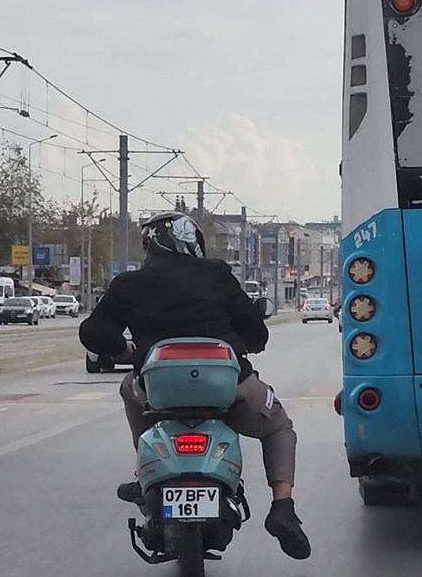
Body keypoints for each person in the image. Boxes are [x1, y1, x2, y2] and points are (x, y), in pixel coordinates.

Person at [79, 211, 311, 561]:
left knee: (129, 388)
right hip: (229, 387)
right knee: (278, 425)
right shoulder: (217, 273)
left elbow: (92, 332)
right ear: (191, 243)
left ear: (150, 247)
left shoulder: (129, 283)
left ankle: (145, 473)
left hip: (158, 391)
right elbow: (257, 334)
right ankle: (283, 507)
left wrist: (126, 351)